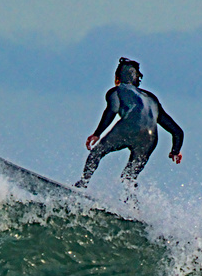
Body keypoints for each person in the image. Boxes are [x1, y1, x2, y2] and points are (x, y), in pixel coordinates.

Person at [76, 57, 184, 190]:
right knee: (129, 177)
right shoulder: (151, 99)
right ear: (136, 78)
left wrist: (97, 134)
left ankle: (82, 184)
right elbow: (177, 131)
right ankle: (132, 206)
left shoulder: (117, 91)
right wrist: (175, 150)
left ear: (118, 78)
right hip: (150, 138)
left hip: (128, 129)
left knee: (96, 153)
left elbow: (112, 110)